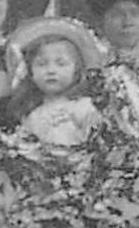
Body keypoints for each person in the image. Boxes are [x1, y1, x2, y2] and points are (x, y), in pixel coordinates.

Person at [8, 16, 107, 146]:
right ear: (30, 72)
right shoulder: (32, 116)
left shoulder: (83, 107)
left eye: (61, 64)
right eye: (42, 64)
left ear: (76, 69)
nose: (51, 71)